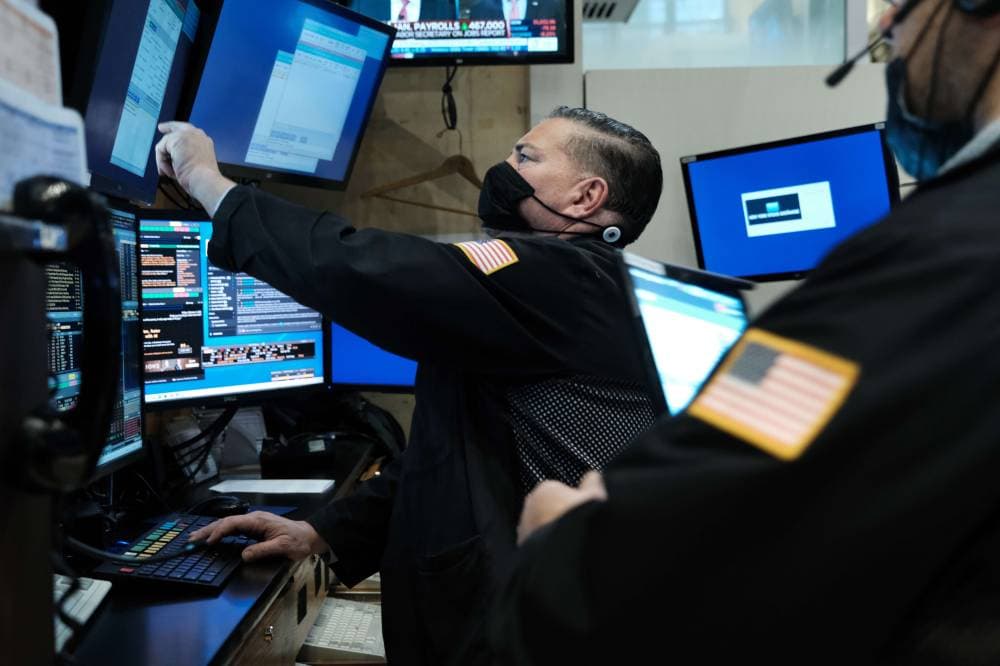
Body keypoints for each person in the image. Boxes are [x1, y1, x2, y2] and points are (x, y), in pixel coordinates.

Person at [488, 1, 1000, 663]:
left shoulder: (939, 253)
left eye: (897, 19)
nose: (886, 38)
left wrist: (566, 533)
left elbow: (651, 568)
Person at [155, 107, 664, 664]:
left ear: (585, 197)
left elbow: (366, 270)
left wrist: (210, 184)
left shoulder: (564, 276)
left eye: (526, 157)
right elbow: (451, 453)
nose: (504, 167)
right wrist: (322, 532)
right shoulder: (572, 283)